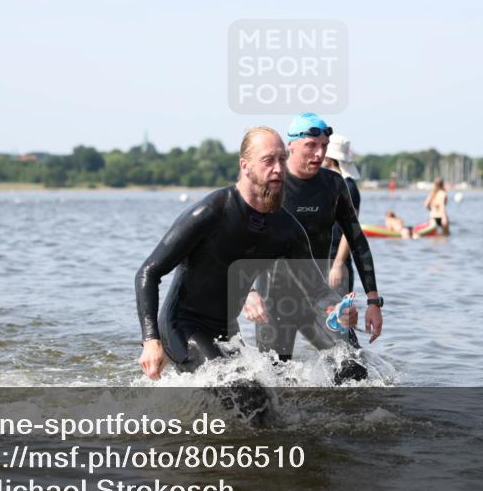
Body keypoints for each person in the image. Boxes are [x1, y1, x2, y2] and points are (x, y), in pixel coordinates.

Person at [135, 127, 353, 382]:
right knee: (244, 396)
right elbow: (148, 272)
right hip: (182, 327)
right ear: (245, 166)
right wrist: (151, 341)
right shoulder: (210, 212)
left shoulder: (287, 229)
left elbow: (315, 289)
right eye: (268, 160)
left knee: (270, 401)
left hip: (227, 331)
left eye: (282, 160)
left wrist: (336, 307)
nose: (278, 169)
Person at [245, 113, 384, 377]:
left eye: (324, 146)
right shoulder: (270, 185)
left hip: (320, 298)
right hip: (275, 299)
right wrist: (249, 292)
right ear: (292, 146)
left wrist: (374, 301)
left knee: (354, 368)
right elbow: (242, 243)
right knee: (275, 380)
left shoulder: (333, 185)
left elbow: (358, 242)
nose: (319, 154)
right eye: (311, 145)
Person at [322, 134, 361, 293]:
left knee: (339, 315)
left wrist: (338, 264)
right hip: (323, 259)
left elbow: (350, 231)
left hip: (337, 262)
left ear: (330, 158)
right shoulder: (328, 183)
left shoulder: (348, 187)